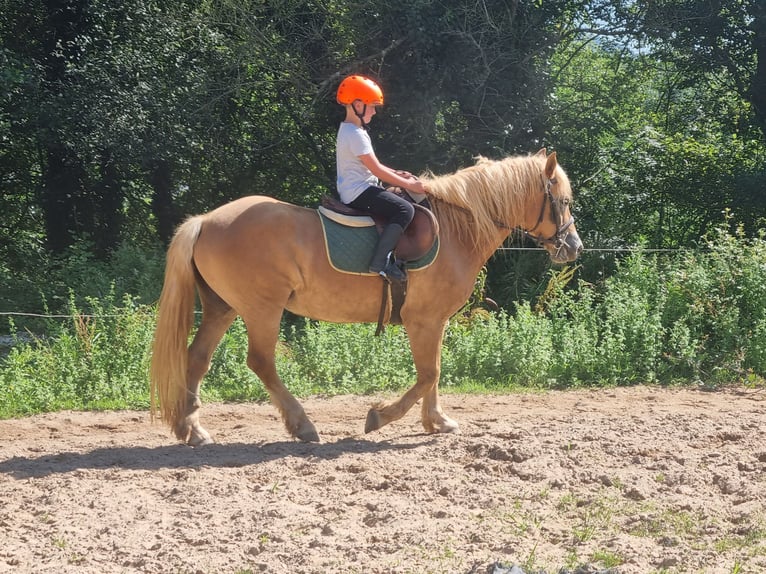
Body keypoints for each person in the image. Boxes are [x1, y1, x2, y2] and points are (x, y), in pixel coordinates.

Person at [335, 75, 427, 281]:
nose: (375, 112)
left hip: (358, 188)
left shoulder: (352, 130)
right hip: (359, 192)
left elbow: (373, 165)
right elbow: (376, 170)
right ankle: (380, 264)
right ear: (358, 104)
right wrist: (409, 184)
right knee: (405, 209)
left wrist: (396, 173)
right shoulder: (356, 134)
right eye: (372, 106)